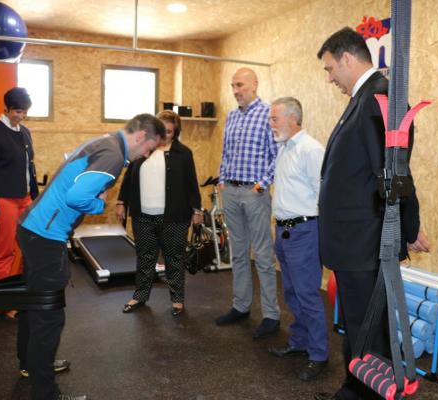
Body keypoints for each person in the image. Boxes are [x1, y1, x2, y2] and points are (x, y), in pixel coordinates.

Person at [314, 28, 431, 400]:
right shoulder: (363, 99)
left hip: (364, 241)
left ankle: (367, 394)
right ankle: (354, 388)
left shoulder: (379, 98)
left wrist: (408, 228)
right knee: (355, 323)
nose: (330, 77)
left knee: (367, 325)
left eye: (331, 68)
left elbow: (394, 171)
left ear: (347, 58)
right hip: (352, 242)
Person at [17, 114, 165, 400]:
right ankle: (45, 393)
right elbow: (77, 197)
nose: (145, 155)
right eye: (149, 148)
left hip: (33, 228)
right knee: (49, 317)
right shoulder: (112, 155)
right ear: (140, 137)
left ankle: (32, 366)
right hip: (46, 235)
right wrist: (99, 204)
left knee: (33, 304)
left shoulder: (106, 142)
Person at [215, 67, 281, 339]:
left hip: (255, 195)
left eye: (240, 85)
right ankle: (240, 306)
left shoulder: (268, 114)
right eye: (233, 86)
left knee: (263, 257)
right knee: (238, 253)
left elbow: (277, 154)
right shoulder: (231, 116)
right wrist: (222, 178)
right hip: (230, 191)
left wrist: (261, 185)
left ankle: (271, 315)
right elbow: (226, 152)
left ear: (254, 84)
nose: (235, 90)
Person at [266, 97, 329, 381]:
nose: (271, 124)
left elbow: (324, 196)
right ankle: (300, 342)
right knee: (291, 292)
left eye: (275, 118)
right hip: (284, 230)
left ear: (293, 118)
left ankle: (319, 355)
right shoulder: (285, 148)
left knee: (307, 294)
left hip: (304, 231)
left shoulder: (311, 150)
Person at [116, 110, 202, 316]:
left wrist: (197, 210)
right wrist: (121, 201)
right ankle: (140, 295)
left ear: (176, 133)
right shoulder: (142, 149)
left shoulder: (184, 154)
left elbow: (192, 184)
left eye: (170, 132)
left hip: (174, 217)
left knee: (174, 258)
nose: (165, 136)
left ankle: (177, 300)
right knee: (144, 257)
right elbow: (128, 179)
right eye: (161, 131)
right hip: (142, 215)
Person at [0, 87, 39, 320]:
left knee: (31, 249)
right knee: (4, 254)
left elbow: (28, 168)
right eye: (17, 111)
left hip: (25, 199)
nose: (21, 116)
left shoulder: (25, 132)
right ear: (6, 108)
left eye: (24, 112)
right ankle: (4, 306)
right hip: (3, 200)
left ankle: (23, 297)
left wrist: (34, 199)